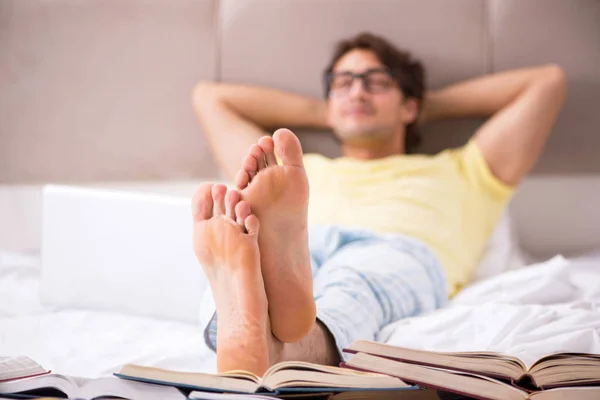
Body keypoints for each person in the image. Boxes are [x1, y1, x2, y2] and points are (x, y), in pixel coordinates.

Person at [190, 32, 567, 376]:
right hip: (307, 240)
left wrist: (410, 104)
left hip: (396, 248)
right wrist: (342, 109)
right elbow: (209, 97)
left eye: (377, 82)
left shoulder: (465, 169)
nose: (357, 93)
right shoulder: (290, 169)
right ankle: (268, 315)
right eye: (342, 83)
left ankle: (256, 331)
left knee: (356, 282)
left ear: (410, 107)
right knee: (262, 260)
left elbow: (546, 82)